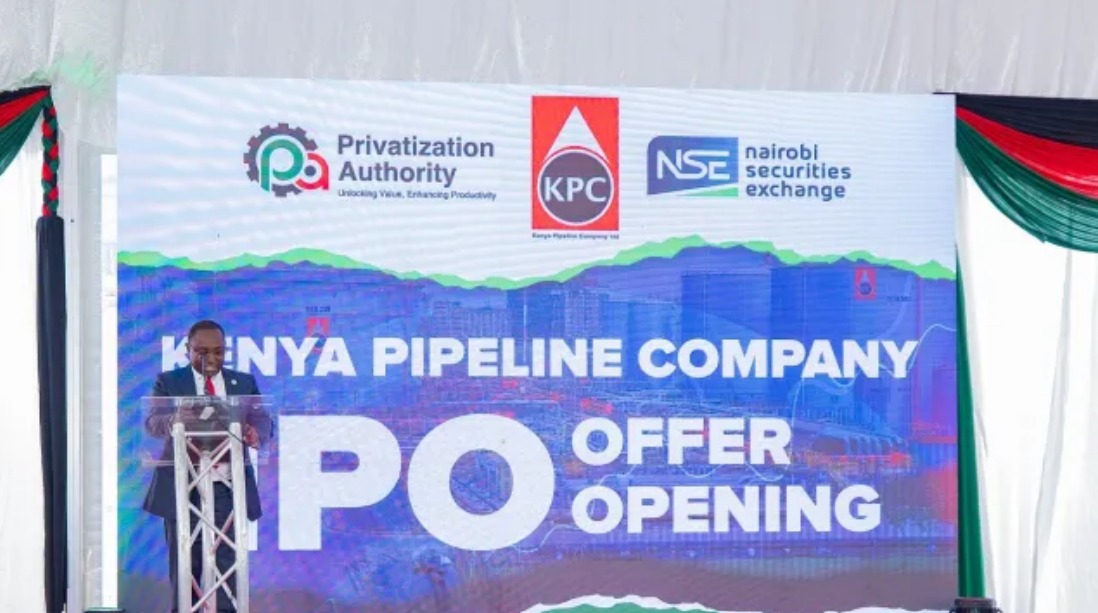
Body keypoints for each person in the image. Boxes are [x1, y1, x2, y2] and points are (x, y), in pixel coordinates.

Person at [143, 319, 270, 613]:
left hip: (228, 488)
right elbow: (152, 422)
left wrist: (256, 433)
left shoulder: (243, 383)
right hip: (183, 488)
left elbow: (262, 419)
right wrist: (174, 420)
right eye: (202, 352)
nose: (211, 359)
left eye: (218, 351)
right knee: (187, 566)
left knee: (228, 566)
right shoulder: (169, 382)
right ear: (187, 350)